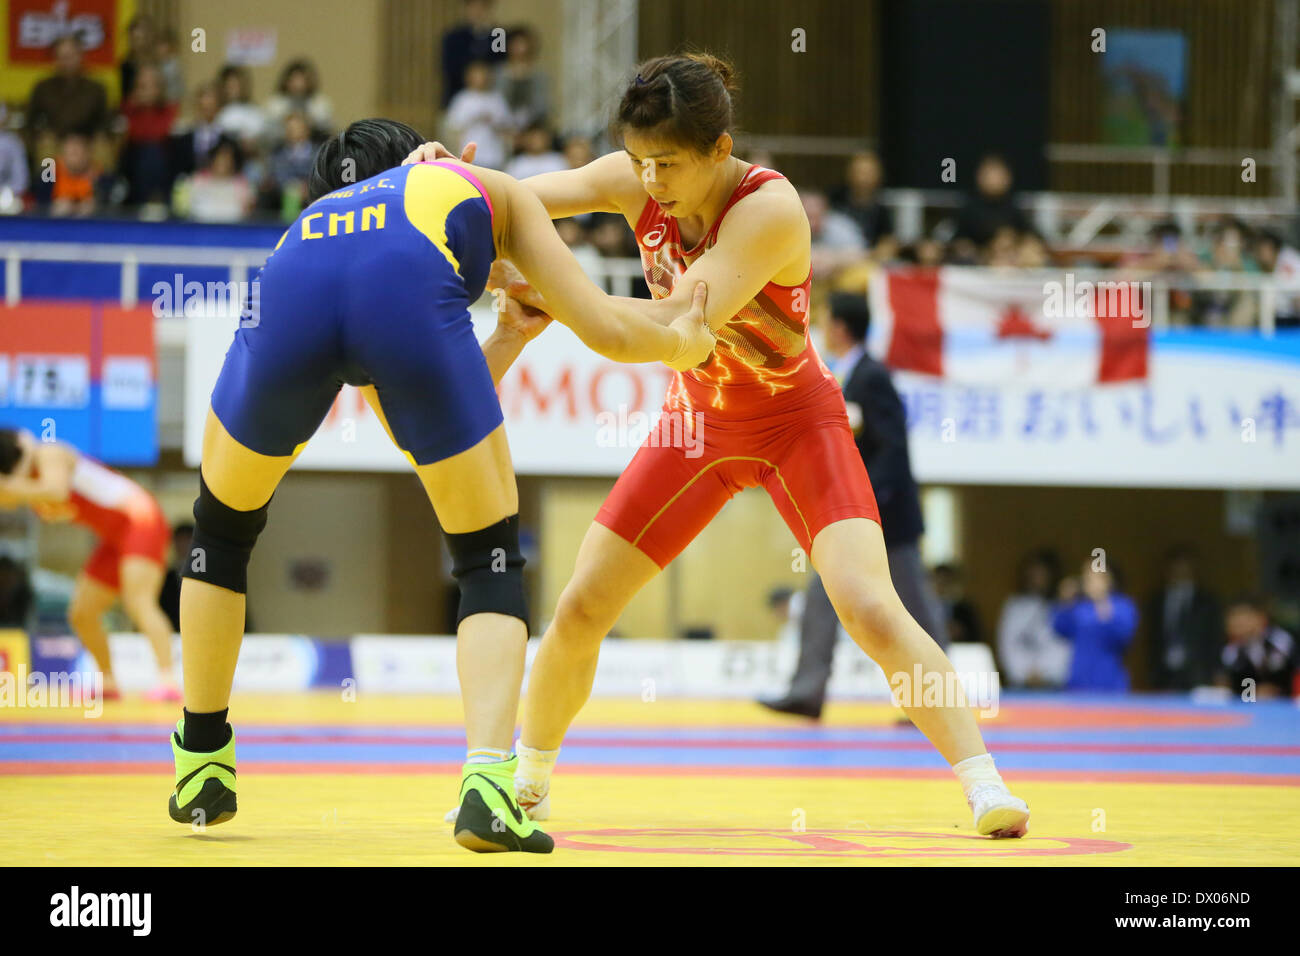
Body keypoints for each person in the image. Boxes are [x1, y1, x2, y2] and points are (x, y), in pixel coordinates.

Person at [413, 52, 1030, 838]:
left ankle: (984, 783)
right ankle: (524, 782)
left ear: (719, 148)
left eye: (666, 164)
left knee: (872, 607)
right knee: (578, 606)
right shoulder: (635, 174)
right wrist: (440, 183)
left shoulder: (771, 209)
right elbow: (507, 203)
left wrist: (548, 293)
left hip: (793, 420)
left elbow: (668, 326)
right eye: (637, 162)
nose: (649, 181)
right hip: (697, 422)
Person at [171, 118, 714, 854]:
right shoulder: (487, 190)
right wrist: (690, 337)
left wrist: (508, 336)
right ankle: (488, 786)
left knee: (220, 532)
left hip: (286, 287)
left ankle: (200, 759)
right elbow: (607, 331)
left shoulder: (317, 222)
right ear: (444, 159)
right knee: (486, 553)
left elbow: (409, 429)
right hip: (406, 298)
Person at [759, 292, 948, 719]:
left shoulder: (872, 377)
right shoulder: (840, 374)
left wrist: (870, 502)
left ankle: (938, 697)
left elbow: (894, 449)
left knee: (916, 611)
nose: (823, 329)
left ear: (841, 327)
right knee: (821, 598)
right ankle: (807, 692)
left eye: (826, 321)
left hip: (887, 519)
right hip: (850, 518)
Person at [0, 430, 178, 701]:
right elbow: (14, 499)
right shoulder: (28, 484)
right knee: (82, 613)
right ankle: (108, 681)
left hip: (140, 519)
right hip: (114, 537)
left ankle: (168, 679)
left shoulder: (49, 452)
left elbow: (56, 491)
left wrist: (12, 484)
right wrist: (15, 487)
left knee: (139, 601)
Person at [1053, 558, 1138, 692]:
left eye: (1096, 577)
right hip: (1078, 681)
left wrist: (1102, 603)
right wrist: (1064, 602)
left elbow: (1123, 637)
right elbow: (1060, 629)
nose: (1091, 582)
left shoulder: (1122, 605)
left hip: (1109, 681)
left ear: (1109, 579)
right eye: (1087, 578)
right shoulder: (1079, 607)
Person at [1147, 545, 1222, 691]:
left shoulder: (1207, 601)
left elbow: (1214, 638)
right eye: (1175, 567)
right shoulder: (1157, 600)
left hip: (1199, 673)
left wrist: (1217, 671)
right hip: (1164, 674)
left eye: (1184, 566)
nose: (1179, 571)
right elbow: (1153, 639)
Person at [997, 549, 1069, 688]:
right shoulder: (1014, 605)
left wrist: (1045, 673)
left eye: (1043, 573)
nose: (1038, 578)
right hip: (1020, 683)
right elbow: (1007, 644)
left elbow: (1063, 646)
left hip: (1055, 683)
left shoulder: (1062, 606)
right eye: (1034, 573)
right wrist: (1024, 673)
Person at [1217, 593, 1297, 699]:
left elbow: (1283, 677)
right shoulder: (1232, 650)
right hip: (1250, 704)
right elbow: (1232, 685)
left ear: (1261, 618)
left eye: (1242, 618)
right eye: (1232, 619)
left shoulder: (1280, 641)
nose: (1236, 624)